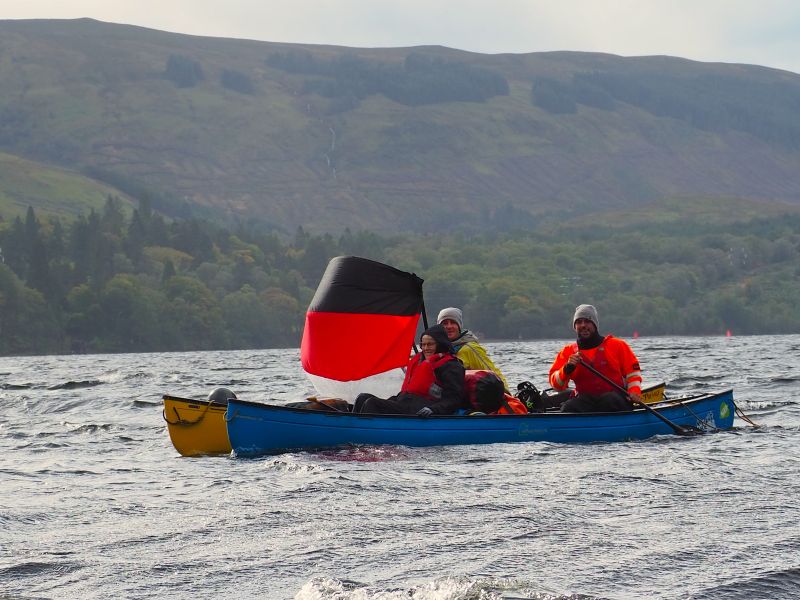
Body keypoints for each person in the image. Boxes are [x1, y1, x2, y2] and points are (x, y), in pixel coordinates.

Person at [353, 324, 466, 416]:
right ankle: (352, 426)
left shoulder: (451, 366)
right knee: (362, 398)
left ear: (440, 344)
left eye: (430, 344)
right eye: (423, 344)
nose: (426, 348)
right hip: (405, 402)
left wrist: (433, 409)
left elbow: (454, 399)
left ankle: (365, 437)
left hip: (424, 407)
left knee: (372, 404)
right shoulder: (419, 360)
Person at [549, 304, 642, 413]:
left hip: (615, 399)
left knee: (608, 400)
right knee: (568, 407)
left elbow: (633, 373)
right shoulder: (568, 352)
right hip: (585, 400)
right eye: (579, 322)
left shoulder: (617, 345)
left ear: (595, 325)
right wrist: (566, 369)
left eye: (587, 321)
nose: (583, 325)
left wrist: (634, 391)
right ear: (575, 327)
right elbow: (556, 386)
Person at [436, 307, 509, 391]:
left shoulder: (470, 348)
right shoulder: (435, 349)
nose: (449, 326)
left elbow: (492, 373)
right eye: (444, 323)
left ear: (459, 326)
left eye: (453, 323)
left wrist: (506, 393)